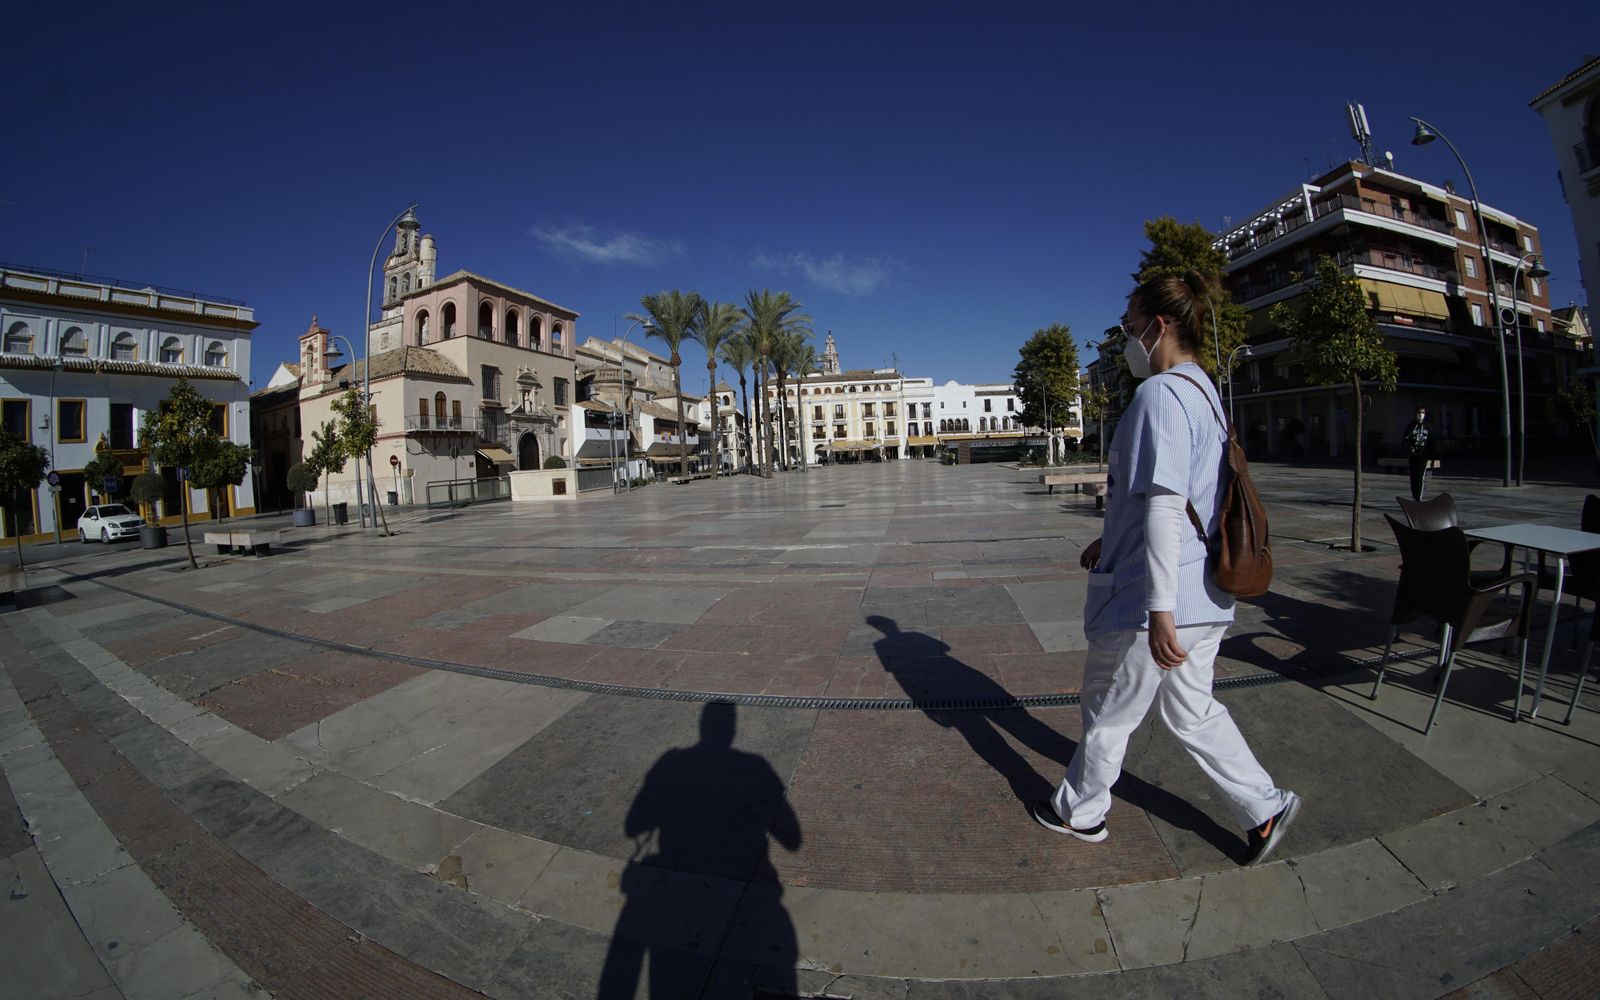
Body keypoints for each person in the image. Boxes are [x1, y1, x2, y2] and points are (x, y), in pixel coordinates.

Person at [1033, 271, 1301, 866]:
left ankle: (1081, 812)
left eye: (1130, 327)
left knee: (1107, 706)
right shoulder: (1205, 390)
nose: (1127, 338)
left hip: (1159, 598)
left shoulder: (1159, 395)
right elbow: (1185, 497)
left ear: (1159, 326)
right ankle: (1265, 807)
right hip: (1204, 589)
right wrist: (1110, 538)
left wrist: (1159, 614)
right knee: (1191, 709)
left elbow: (1162, 503)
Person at [1402, 406, 1434, 502]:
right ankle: (1414, 496)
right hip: (1413, 456)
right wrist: (1410, 448)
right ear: (1415, 414)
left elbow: (1432, 442)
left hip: (1423, 457)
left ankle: (1418, 499)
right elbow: (1404, 441)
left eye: (1423, 412)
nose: (1421, 415)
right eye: (1419, 412)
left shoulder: (1428, 427)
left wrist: (1432, 456)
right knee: (1413, 477)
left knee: (1420, 478)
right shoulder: (1411, 426)